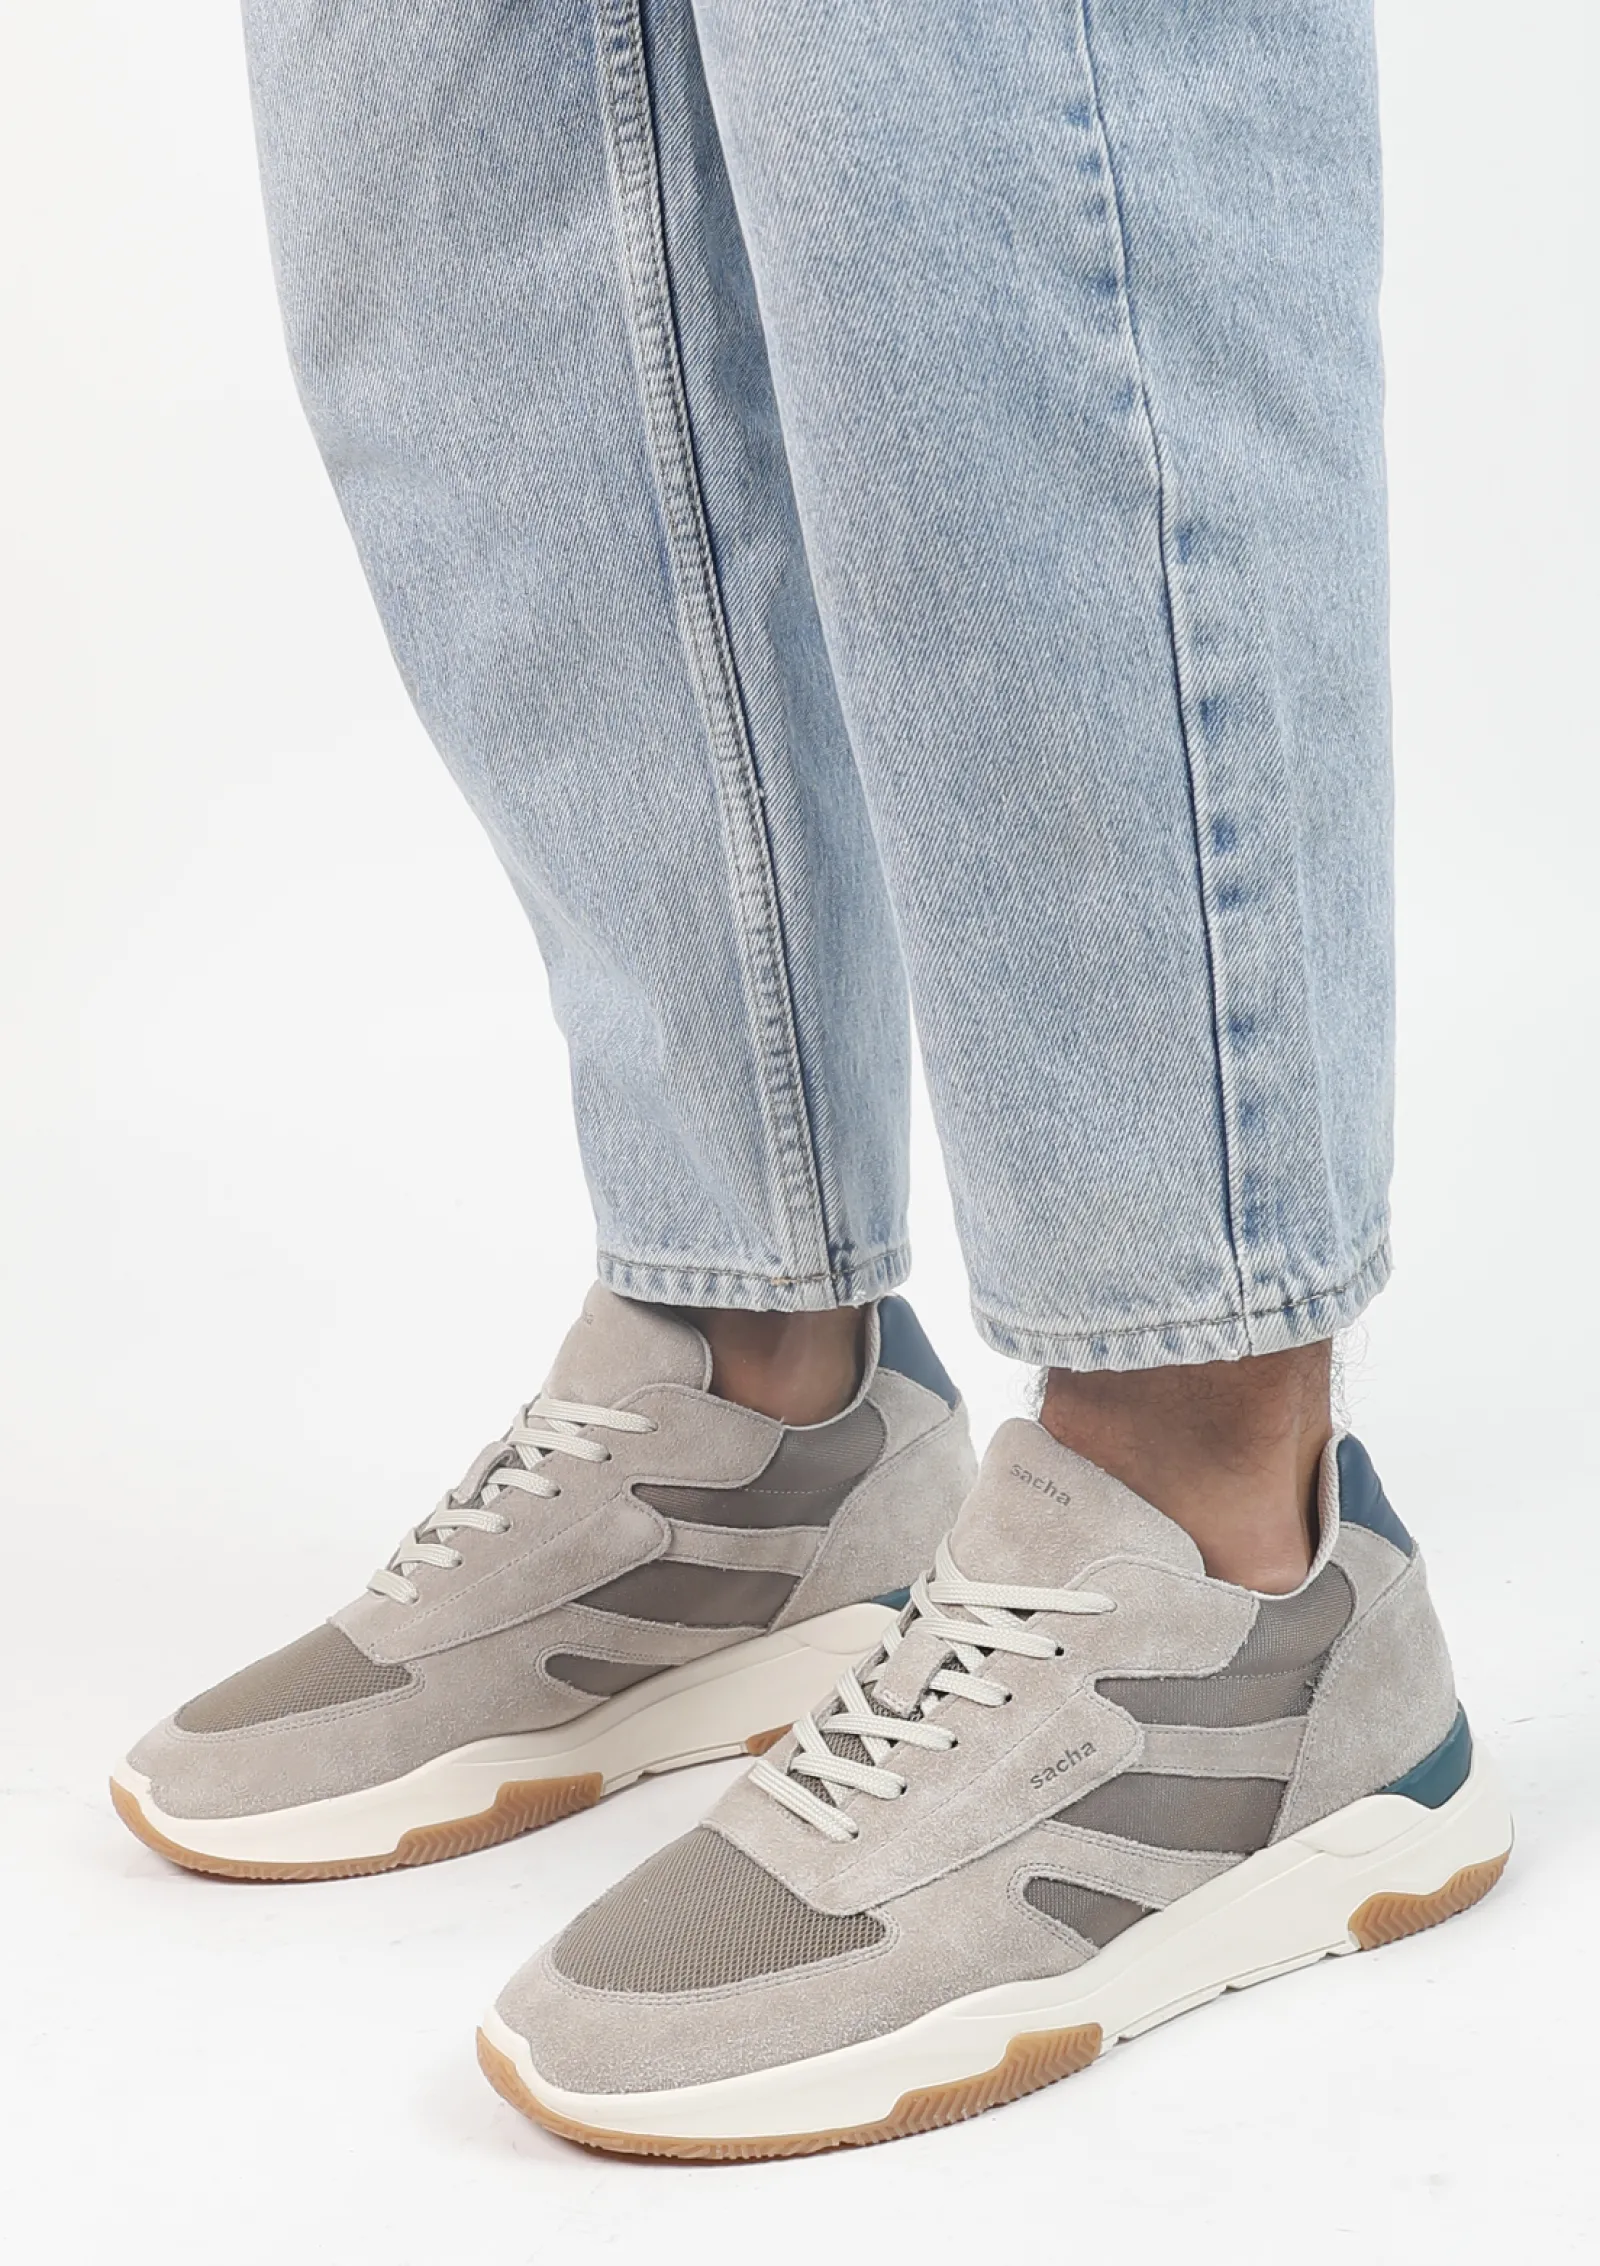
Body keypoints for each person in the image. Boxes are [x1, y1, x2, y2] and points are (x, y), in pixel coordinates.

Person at [112, 0, 1511, 2157]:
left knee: (992, 99)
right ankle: (752, 1405)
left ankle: (1226, 1537)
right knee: (454, 160)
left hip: (1234, 1555)